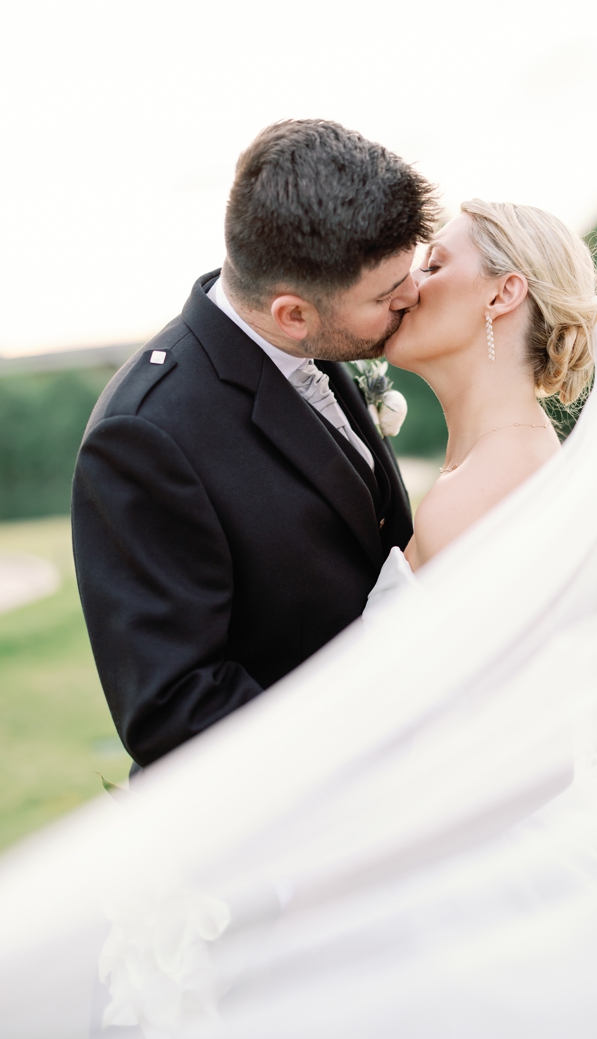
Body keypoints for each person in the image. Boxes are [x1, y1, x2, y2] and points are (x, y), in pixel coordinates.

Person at [0, 188, 597, 1033]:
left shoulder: (500, 480)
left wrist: (318, 889)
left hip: (456, 887)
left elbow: (529, 758)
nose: (409, 286)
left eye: (436, 264)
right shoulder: (479, 464)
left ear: (503, 294)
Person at [71, 119, 431, 773]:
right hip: (302, 831)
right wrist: (372, 751)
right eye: (387, 294)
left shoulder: (317, 336)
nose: (414, 295)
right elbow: (174, 706)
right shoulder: (147, 435)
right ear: (292, 313)